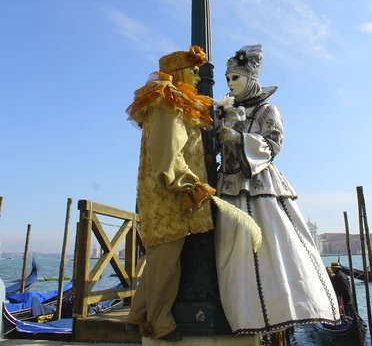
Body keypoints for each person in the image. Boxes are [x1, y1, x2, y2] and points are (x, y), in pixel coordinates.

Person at [215, 44, 340, 337]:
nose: (230, 84)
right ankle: (240, 314)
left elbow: (272, 146)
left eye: (235, 78)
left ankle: (283, 311)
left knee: (270, 250)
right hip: (228, 186)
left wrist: (238, 138)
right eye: (228, 79)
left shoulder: (267, 110)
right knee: (232, 253)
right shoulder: (224, 110)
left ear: (250, 78)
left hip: (259, 187)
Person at [126, 46, 216, 341]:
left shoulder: (167, 103)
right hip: (170, 194)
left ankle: (138, 314)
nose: (196, 77)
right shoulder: (168, 103)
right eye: (192, 71)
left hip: (162, 192)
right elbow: (166, 157)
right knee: (167, 262)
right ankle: (159, 322)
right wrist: (191, 185)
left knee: (158, 260)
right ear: (178, 72)